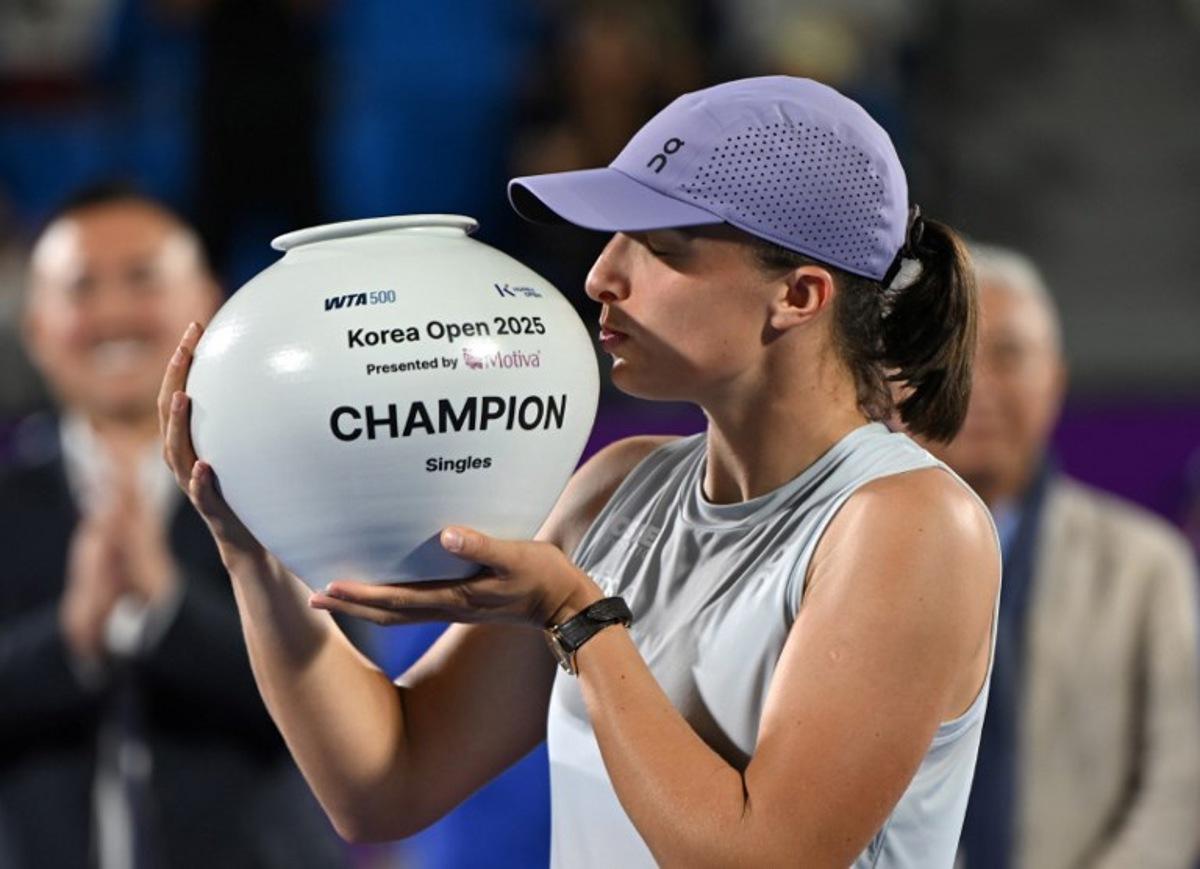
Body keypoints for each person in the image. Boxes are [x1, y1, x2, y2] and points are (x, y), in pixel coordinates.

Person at [160, 77, 1001, 867]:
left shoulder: (911, 521)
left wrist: (580, 617)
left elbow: (761, 855)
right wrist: (249, 547)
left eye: (660, 247)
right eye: (612, 238)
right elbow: (387, 780)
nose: (602, 275)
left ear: (801, 295)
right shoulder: (617, 487)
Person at [0, 185, 354, 869]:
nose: (111, 314)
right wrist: (71, 637)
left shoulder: (289, 487)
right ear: (37, 328)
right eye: (80, 289)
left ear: (209, 306)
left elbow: (347, 701)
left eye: (142, 279)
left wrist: (167, 604)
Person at [934, 245, 1200, 869]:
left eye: (1008, 355)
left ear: (1055, 378)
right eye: (953, 359)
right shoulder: (844, 552)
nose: (979, 385)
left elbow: (1182, 777)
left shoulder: (1143, 563)